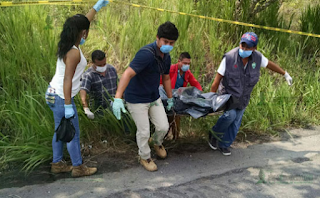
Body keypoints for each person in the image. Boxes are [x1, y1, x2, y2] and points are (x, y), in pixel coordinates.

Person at [45, 0, 109, 177]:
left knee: (60, 129)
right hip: (60, 96)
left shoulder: (68, 42)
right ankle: (78, 167)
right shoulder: (73, 52)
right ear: (82, 33)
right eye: (86, 32)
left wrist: (96, 7)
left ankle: (57, 163)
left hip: (51, 93)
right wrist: (67, 105)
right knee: (72, 132)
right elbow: (67, 79)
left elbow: (84, 21)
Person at [209, 32, 293, 156]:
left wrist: (284, 74)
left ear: (254, 49)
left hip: (243, 97)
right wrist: (211, 99)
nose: (244, 49)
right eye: (242, 46)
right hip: (227, 96)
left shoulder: (257, 58)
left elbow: (270, 64)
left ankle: (225, 144)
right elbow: (216, 81)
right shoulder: (229, 58)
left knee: (236, 121)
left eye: (248, 47)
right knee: (230, 116)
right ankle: (214, 134)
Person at [112, 21, 179, 171]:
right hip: (136, 98)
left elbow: (166, 77)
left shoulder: (166, 57)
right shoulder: (146, 54)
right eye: (165, 41)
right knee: (144, 131)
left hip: (153, 96)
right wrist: (117, 97)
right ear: (157, 38)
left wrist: (169, 97)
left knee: (163, 126)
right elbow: (127, 73)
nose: (168, 45)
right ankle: (145, 156)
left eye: (171, 43)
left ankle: (157, 143)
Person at [160, 52, 203, 139]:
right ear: (179, 61)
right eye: (185, 63)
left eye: (188, 64)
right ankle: (167, 136)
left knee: (176, 117)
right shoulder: (171, 69)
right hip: (167, 96)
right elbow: (161, 82)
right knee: (170, 116)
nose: (187, 65)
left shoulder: (187, 73)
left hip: (178, 98)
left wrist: (200, 93)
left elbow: (195, 83)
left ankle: (176, 137)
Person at [80, 50, 118, 119]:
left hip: (115, 105)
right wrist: (86, 108)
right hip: (99, 109)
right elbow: (83, 90)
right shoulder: (88, 75)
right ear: (93, 63)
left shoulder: (111, 69)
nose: (103, 67)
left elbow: (118, 85)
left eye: (104, 64)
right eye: (99, 65)